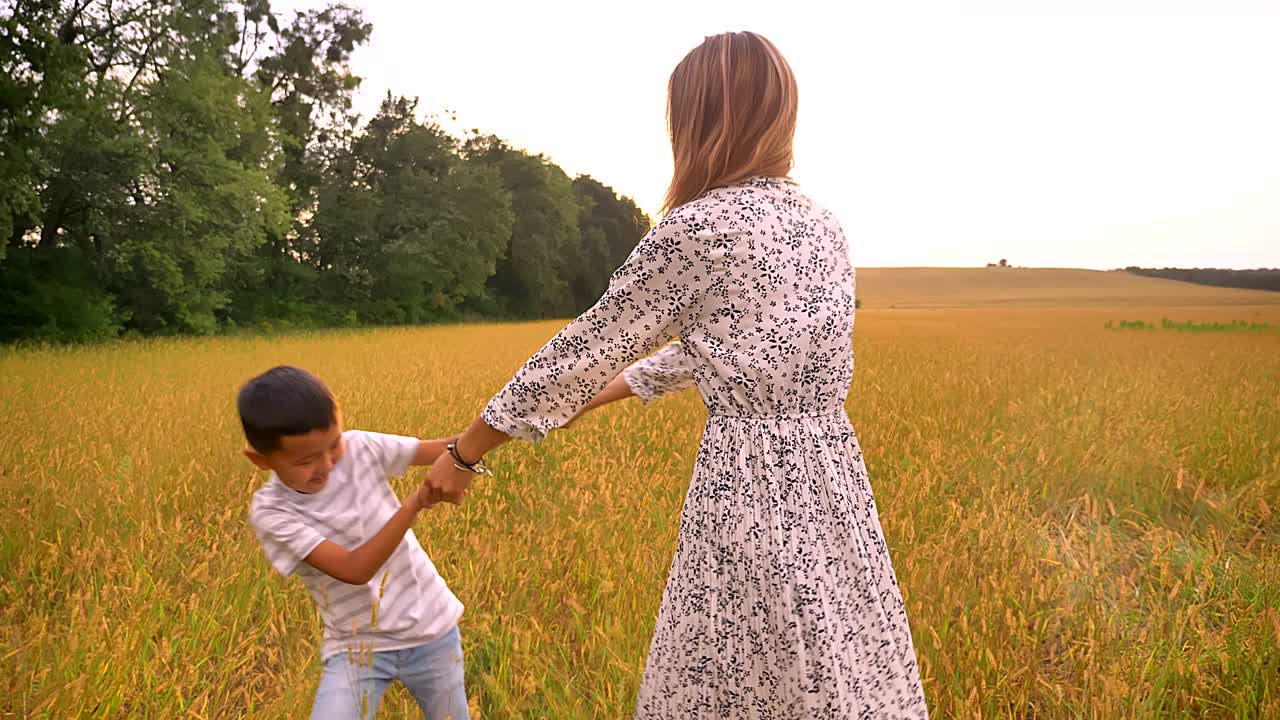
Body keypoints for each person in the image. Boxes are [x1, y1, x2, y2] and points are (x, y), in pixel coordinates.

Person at [427, 31, 929, 718]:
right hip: (834, 480)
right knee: (835, 667)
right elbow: (731, 349)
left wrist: (465, 452)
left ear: (695, 121)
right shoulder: (822, 225)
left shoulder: (701, 228)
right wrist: (599, 398)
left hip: (750, 486)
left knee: (734, 674)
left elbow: (583, 348)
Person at [239, 366, 468, 720]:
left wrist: (509, 424)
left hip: (431, 631)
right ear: (261, 460)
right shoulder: (272, 512)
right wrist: (414, 504)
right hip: (355, 648)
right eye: (306, 460)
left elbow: (442, 449)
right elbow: (354, 569)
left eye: (334, 445)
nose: (327, 464)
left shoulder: (362, 447)